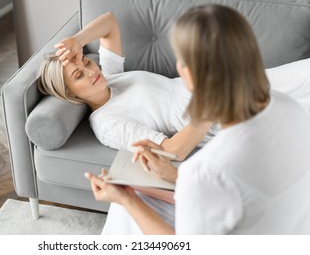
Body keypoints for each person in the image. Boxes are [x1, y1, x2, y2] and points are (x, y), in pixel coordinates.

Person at [85, 4, 310, 234]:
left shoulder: (205, 171)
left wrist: (126, 199)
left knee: (124, 212)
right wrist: (174, 174)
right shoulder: (289, 108)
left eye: (181, 62)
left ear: (189, 74)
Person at [38, 12, 218, 166]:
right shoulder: (108, 124)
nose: (91, 72)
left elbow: (109, 23)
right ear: (70, 93)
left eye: (86, 62)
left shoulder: (109, 77)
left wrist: (78, 40)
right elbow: (172, 151)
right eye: (79, 75)